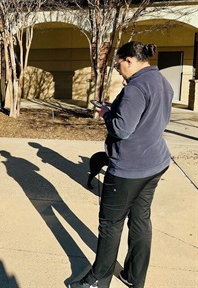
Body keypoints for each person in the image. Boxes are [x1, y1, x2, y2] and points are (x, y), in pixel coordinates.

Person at [69, 41, 173, 288]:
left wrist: (106, 113)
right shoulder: (161, 81)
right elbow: (153, 117)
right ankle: (134, 277)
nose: (118, 70)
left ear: (129, 60)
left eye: (118, 65)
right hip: (155, 162)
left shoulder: (135, 88)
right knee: (140, 220)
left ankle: (97, 280)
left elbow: (121, 129)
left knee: (110, 225)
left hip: (129, 169)